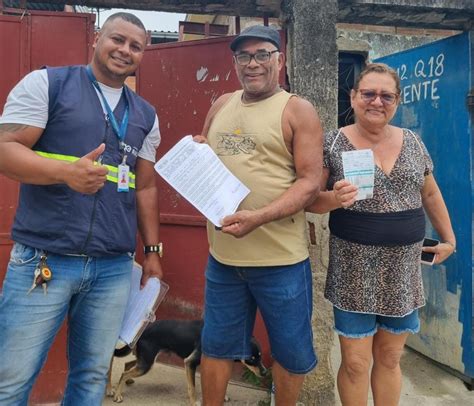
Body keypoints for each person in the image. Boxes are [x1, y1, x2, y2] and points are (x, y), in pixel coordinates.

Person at [0, 12, 163, 405]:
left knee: (91, 379)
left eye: (135, 46)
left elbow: (146, 187)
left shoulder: (145, 114)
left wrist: (153, 252)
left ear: (144, 53)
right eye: (117, 40)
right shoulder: (47, 84)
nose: (124, 51)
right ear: (96, 39)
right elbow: (5, 151)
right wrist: (65, 173)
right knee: (11, 379)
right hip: (45, 258)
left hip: (112, 268)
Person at [307, 63, 455, 406]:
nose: (377, 101)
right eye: (369, 93)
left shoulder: (414, 142)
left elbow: (430, 194)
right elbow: (310, 201)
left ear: (397, 101)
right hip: (353, 270)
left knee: (390, 358)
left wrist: (449, 239)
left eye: (386, 95)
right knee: (357, 363)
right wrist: (333, 198)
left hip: (402, 270)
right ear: (354, 97)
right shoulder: (332, 143)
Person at [194, 25, 323, 405]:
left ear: (279, 60)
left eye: (262, 54)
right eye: (244, 56)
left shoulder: (297, 109)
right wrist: (196, 151)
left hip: (281, 260)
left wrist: (259, 217)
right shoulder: (221, 104)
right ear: (235, 63)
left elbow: (310, 182)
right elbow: (204, 155)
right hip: (224, 259)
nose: (253, 64)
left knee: (292, 354)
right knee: (215, 347)